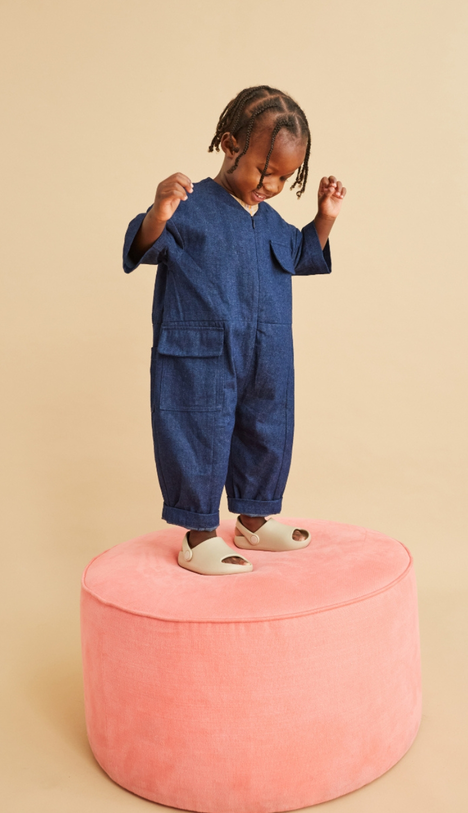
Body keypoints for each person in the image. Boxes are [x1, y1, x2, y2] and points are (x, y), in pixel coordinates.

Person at [123, 86, 346, 575]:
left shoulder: (270, 222)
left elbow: (304, 254)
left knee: (265, 432)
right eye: (265, 171)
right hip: (199, 356)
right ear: (230, 145)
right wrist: (160, 211)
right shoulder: (190, 206)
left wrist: (324, 219)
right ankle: (199, 535)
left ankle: (253, 521)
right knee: (197, 435)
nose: (270, 185)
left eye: (286, 178)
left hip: (266, 354)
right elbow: (143, 247)